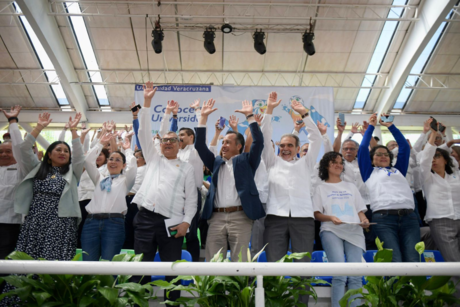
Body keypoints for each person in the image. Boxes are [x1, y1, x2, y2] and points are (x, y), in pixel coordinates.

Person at [1, 112, 84, 306]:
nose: (63, 152)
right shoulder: (37, 168)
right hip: (35, 224)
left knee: (54, 263)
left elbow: (79, 156)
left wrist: (74, 131)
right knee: (27, 261)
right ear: (48, 155)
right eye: (58, 150)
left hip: (61, 225)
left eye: (66, 151)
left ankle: (55, 300)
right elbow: (21, 149)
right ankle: (21, 301)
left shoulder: (73, 173)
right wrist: (38, 128)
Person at [131, 82, 197, 306]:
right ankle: (137, 302)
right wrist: (147, 103)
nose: (168, 143)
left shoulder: (186, 167)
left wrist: (186, 223)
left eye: (173, 140)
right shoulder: (153, 157)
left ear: (180, 145)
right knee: (141, 267)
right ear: (159, 145)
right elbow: (143, 131)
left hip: (173, 223)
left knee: (172, 270)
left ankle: (173, 304)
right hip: (146, 218)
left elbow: (192, 201)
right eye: (165, 140)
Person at [260, 92, 327, 305]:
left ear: (298, 149)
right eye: (283, 145)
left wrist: (305, 115)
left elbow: (316, 138)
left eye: (290, 146)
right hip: (275, 219)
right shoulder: (271, 162)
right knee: (274, 267)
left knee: (303, 267)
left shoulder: (305, 164)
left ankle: (301, 304)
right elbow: (264, 136)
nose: (286, 148)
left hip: (303, 220)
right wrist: (269, 110)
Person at [194, 98, 265, 262]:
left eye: (228, 142)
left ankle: (239, 289)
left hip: (241, 217)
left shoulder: (247, 161)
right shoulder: (216, 162)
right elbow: (199, 145)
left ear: (239, 146)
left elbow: (259, 142)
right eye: (222, 142)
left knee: (240, 263)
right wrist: (202, 118)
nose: (223, 145)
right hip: (216, 218)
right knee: (213, 262)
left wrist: (250, 117)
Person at [358, 113, 420, 262]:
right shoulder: (369, 172)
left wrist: (390, 126)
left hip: (409, 217)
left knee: (413, 259)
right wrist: (371, 127)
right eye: (378, 154)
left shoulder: (399, 170)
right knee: (394, 260)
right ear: (372, 159)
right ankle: (393, 286)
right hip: (384, 219)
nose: (383, 156)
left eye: (386, 154)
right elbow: (362, 149)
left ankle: (411, 286)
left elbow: (404, 146)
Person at [313, 151, 368, 307]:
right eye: (333, 162)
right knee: (340, 275)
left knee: (356, 275)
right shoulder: (320, 188)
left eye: (340, 162)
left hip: (354, 230)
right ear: (325, 166)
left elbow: (359, 210)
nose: (338, 165)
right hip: (331, 230)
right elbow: (316, 214)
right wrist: (330, 218)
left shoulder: (351, 186)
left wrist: (364, 220)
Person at [159, 99, 204, 262]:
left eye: (182, 135)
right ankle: (173, 262)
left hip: (192, 196)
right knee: (172, 231)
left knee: (191, 233)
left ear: (191, 137)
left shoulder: (196, 151)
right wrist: (170, 114)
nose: (179, 138)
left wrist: (199, 111)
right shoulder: (177, 155)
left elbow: (201, 135)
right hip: (176, 196)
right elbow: (163, 137)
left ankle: (194, 268)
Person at [420, 119, 460, 298]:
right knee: (454, 262)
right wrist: (433, 134)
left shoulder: (455, 176)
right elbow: (425, 157)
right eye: (432, 157)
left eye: (438, 156)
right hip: (441, 221)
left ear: (446, 159)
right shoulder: (427, 177)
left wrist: (443, 138)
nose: (433, 160)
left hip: (459, 218)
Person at [81, 133, 136, 261]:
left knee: (109, 263)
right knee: (88, 263)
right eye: (111, 159)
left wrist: (127, 149)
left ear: (123, 166)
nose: (113, 162)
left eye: (118, 160)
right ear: (107, 163)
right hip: (91, 222)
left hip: (114, 223)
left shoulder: (126, 181)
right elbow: (88, 161)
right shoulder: (99, 178)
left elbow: (133, 166)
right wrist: (100, 144)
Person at [0, 106, 27, 293]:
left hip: (10, 223)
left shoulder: (21, 169)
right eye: (1, 152)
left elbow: (20, 147)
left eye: (7, 152)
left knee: (5, 264)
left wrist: (13, 122)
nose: (3, 154)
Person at [77, 147, 109, 248]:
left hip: (97, 200)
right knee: (80, 227)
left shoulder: (107, 167)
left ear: (106, 157)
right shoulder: (86, 168)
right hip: (82, 199)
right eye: (95, 155)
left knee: (94, 229)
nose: (97, 157)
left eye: (100, 154)